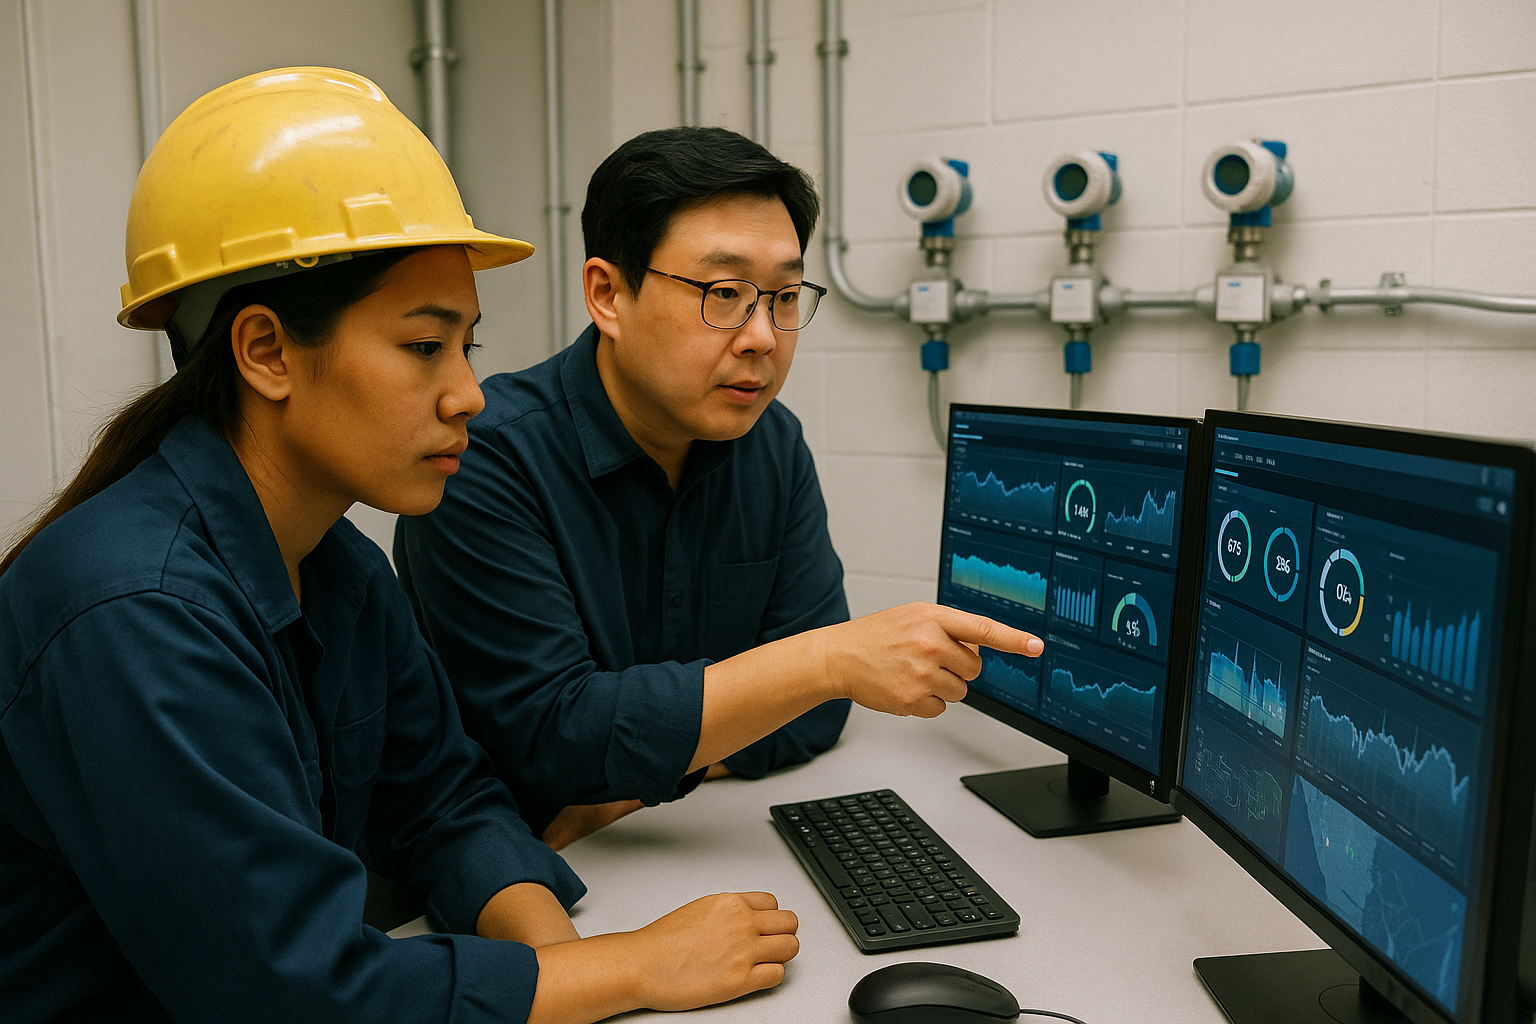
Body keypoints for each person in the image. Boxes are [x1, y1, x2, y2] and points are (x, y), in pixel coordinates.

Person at [0, 68, 800, 1024]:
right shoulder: (134, 612)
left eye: (469, 346)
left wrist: (566, 964)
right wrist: (631, 971)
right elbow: (288, 991)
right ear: (265, 352)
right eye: (426, 348)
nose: (468, 394)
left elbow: (445, 803)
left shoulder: (340, 568)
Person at [395, 126, 1045, 850]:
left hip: (660, 845)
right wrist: (822, 663)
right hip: (526, 877)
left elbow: (816, 713)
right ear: (608, 294)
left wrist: (656, 774)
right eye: (725, 292)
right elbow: (555, 738)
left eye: (787, 296)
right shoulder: (486, 458)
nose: (763, 336)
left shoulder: (771, 444)